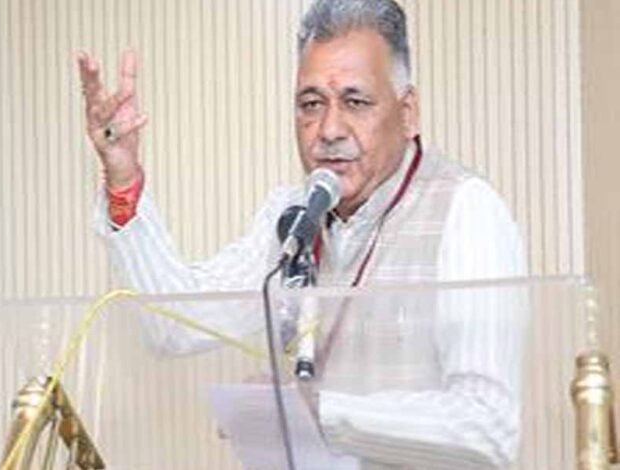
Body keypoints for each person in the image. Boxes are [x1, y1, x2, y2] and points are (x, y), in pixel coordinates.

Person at [78, 0, 526, 468]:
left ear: (408, 112)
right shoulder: (292, 215)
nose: (329, 130)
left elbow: (487, 426)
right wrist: (123, 183)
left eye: (355, 102)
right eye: (311, 104)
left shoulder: (465, 208)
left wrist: (320, 413)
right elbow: (174, 327)